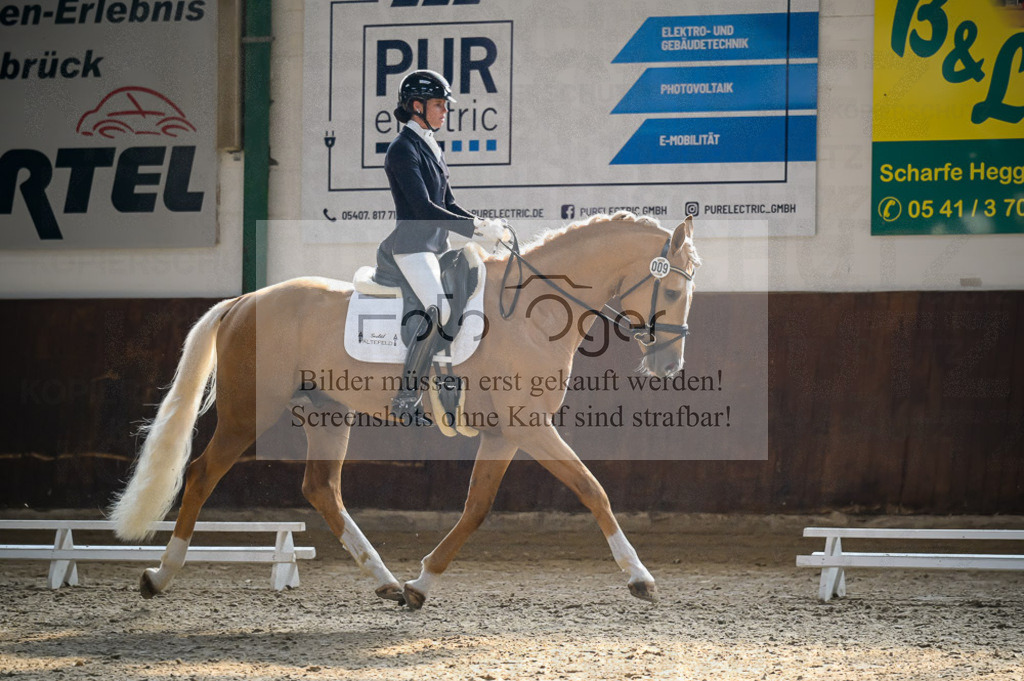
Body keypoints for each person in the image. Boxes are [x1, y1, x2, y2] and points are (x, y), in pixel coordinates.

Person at [377, 69, 506, 424]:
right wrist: (473, 230)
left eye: (443, 104)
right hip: (412, 248)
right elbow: (422, 209)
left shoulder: (430, 146)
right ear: (416, 106)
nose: (445, 110)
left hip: (434, 248)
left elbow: (447, 204)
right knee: (438, 310)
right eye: (438, 104)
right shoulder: (402, 149)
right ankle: (406, 398)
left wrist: (481, 226)